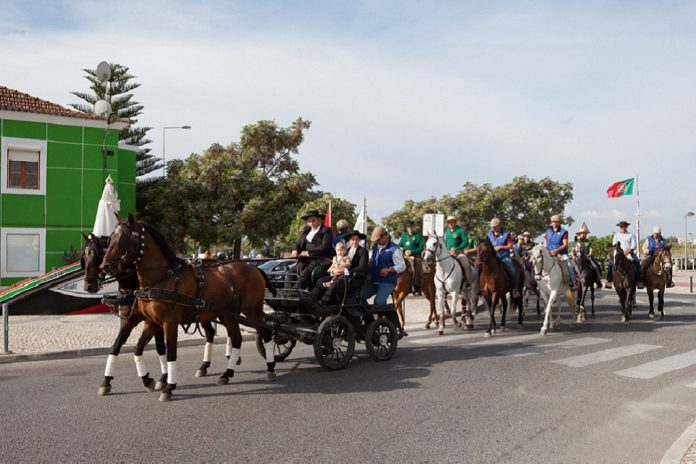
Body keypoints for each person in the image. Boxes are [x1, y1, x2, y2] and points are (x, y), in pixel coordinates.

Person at [313, 230, 369, 304]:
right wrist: (334, 271)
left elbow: (362, 267)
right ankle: (312, 299)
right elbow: (337, 262)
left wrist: (345, 271)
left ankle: (323, 302)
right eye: (352, 239)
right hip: (340, 275)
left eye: (356, 239)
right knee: (321, 280)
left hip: (355, 277)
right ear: (349, 240)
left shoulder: (363, 251)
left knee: (338, 282)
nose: (354, 242)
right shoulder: (346, 250)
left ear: (359, 240)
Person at [289, 209, 334, 290]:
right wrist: (295, 250)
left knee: (305, 274)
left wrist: (308, 253)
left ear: (319, 220)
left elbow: (325, 246)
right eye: (309, 221)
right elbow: (299, 243)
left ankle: (295, 292)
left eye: (313, 221)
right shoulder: (306, 230)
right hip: (305, 259)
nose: (311, 223)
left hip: (319, 259)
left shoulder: (326, 230)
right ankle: (287, 292)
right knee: (291, 271)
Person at [362, 226, 406, 305]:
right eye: (376, 240)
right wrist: (370, 262)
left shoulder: (395, 249)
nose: (377, 241)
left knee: (378, 302)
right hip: (374, 280)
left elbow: (402, 266)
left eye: (378, 239)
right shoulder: (375, 246)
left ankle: (383, 316)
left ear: (385, 236)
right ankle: (368, 316)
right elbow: (373, 257)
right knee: (360, 296)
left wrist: (389, 269)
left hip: (388, 282)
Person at [486, 217, 520, 297]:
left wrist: (500, 247)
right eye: (492, 227)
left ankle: (515, 288)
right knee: (482, 269)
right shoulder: (489, 234)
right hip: (492, 258)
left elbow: (510, 246)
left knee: (513, 269)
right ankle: (482, 289)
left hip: (503, 257)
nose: (493, 228)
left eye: (495, 227)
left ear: (499, 225)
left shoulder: (506, 234)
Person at [606, 221, 642, 289]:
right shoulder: (616, 235)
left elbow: (634, 245)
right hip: (618, 254)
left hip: (628, 253)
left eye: (623, 226)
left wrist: (629, 251)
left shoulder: (631, 235)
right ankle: (609, 280)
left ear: (626, 227)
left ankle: (639, 280)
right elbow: (614, 245)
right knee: (610, 264)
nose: (622, 228)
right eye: (621, 226)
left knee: (637, 262)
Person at [542, 214, 575, 286]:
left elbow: (565, 244)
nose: (555, 223)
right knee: (539, 263)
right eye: (553, 222)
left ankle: (572, 282)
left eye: (557, 221)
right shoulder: (548, 231)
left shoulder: (564, 232)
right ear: (551, 222)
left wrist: (556, 250)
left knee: (569, 265)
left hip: (561, 254)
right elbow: (545, 243)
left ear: (560, 222)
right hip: (549, 254)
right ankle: (538, 283)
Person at [398, 221, 424, 294]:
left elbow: (421, 248)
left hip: (416, 256)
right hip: (405, 255)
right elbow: (400, 245)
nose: (410, 228)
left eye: (411, 227)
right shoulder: (404, 236)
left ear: (414, 227)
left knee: (418, 266)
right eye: (408, 227)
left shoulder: (418, 236)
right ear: (407, 228)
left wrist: (412, 252)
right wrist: (400, 248)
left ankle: (417, 287)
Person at [445, 215, 473, 283]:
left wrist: (457, 249)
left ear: (455, 222)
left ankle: (468, 282)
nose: (450, 224)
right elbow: (445, 242)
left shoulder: (461, 230)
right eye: (449, 222)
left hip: (458, 253)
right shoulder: (446, 231)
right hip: (448, 253)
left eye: (452, 222)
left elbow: (465, 242)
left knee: (466, 264)